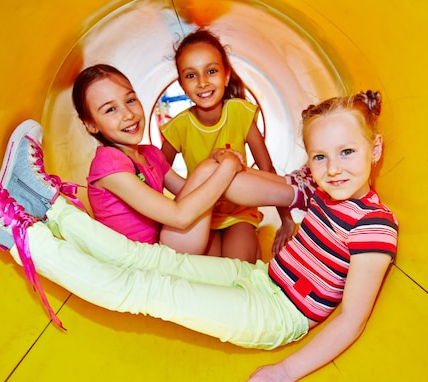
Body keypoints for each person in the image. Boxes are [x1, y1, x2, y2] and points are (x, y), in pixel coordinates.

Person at [0, 90, 397, 382]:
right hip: (260, 277)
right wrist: (288, 192)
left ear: (374, 149)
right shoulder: (320, 189)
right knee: (154, 261)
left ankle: (12, 233)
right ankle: (48, 207)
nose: (332, 168)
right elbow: (258, 187)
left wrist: (287, 372)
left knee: (151, 292)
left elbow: (352, 319)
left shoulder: (375, 226)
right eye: (320, 156)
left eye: (347, 153)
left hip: (278, 316)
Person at [73, 63, 304, 254]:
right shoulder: (109, 164)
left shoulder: (150, 154)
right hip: (148, 257)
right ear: (91, 124)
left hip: (166, 242)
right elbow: (180, 216)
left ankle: (297, 188)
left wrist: (218, 160)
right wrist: (229, 165)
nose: (128, 114)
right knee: (215, 170)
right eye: (110, 110)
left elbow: (195, 190)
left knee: (209, 168)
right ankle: (300, 193)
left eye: (130, 100)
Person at [160, 28, 306, 261]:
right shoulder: (178, 127)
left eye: (211, 71)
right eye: (191, 76)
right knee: (212, 269)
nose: (202, 82)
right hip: (201, 214)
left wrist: (286, 220)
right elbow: (157, 172)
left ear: (226, 75)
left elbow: (266, 169)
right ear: (181, 85)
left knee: (239, 262)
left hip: (240, 213)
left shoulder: (239, 113)